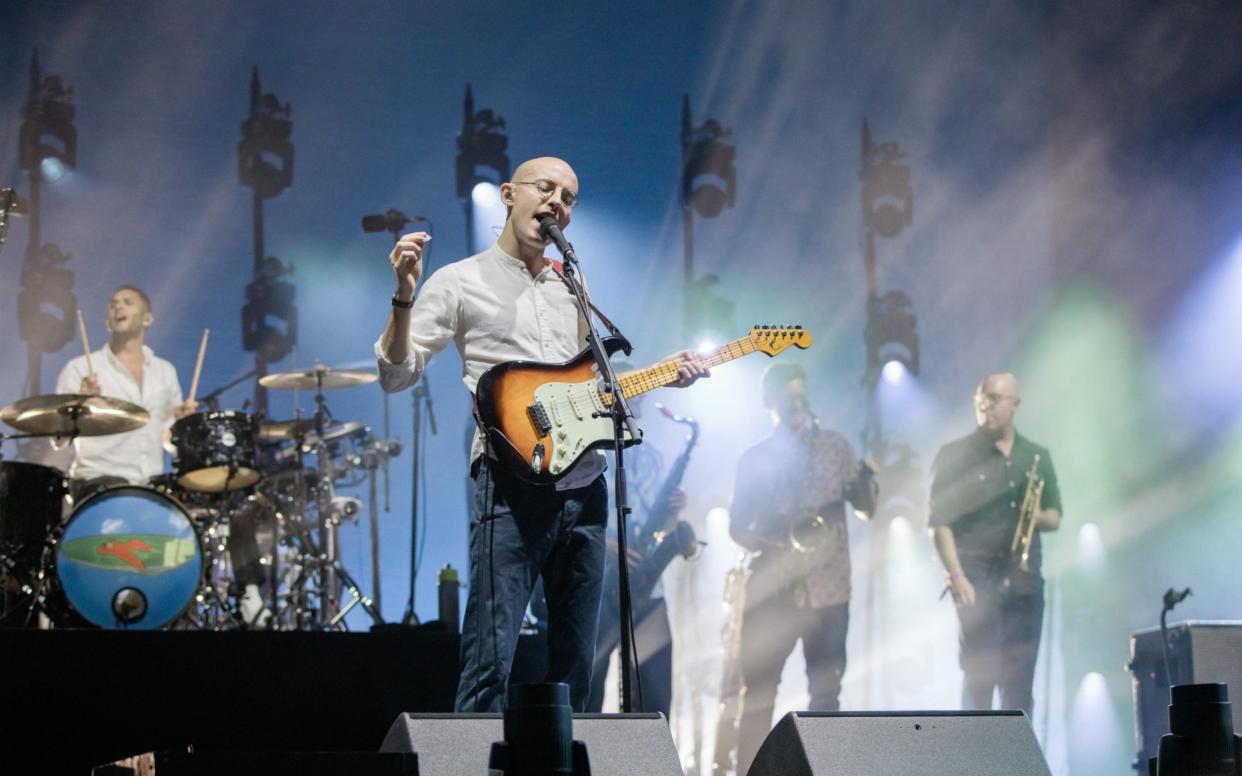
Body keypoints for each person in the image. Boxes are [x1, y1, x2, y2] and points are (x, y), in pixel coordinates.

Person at [375, 156, 707, 712]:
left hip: (585, 486)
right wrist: (404, 296)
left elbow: (587, 387)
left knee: (581, 664)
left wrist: (662, 377)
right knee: (490, 661)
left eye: (570, 198)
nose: (558, 203)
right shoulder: (459, 281)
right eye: (546, 188)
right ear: (509, 194)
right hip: (510, 484)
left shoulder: (569, 285)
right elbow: (395, 374)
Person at [55, 286, 267, 625]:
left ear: (147, 318)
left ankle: (249, 597)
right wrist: (80, 404)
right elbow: (59, 437)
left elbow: (170, 441)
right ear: (107, 321)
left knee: (232, 502)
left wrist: (181, 426)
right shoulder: (81, 368)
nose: (117, 306)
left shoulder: (164, 371)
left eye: (127, 302)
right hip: (98, 482)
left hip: (151, 484)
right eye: (112, 304)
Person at [728, 363, 877, 774]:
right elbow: (736, 527)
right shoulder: (754, 457)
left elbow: (867, 508)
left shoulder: (835, 446)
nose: (797, 404)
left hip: (829, 591)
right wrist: (778, 546)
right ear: (769, 402)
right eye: (788, 397)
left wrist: (867, 479)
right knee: (758, 697)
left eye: (802, 396)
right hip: (772, 592)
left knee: (827, 699)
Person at [929, 372, 1062, 718]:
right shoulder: (955, 455)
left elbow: (1055, 517)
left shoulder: (1035, 456)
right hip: (975, 580)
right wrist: (956, 575)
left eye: (993, 398)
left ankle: (1016, 766)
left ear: (1014, 405)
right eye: (980, 397)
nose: (985, 404)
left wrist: (1031, 516)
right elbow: (939, 521)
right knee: (978, 681)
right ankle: (972, 766)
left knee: (1019, 685)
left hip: (1024, 582)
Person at [586, 376, 692, 717]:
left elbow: (660, 523)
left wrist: (673, 511)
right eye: (636, 397)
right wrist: (608, 544)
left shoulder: (653, 454)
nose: (641, 407)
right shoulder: (586, 449)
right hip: (600, 586)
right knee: (590, 688)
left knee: (654, 695)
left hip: (646, 585)